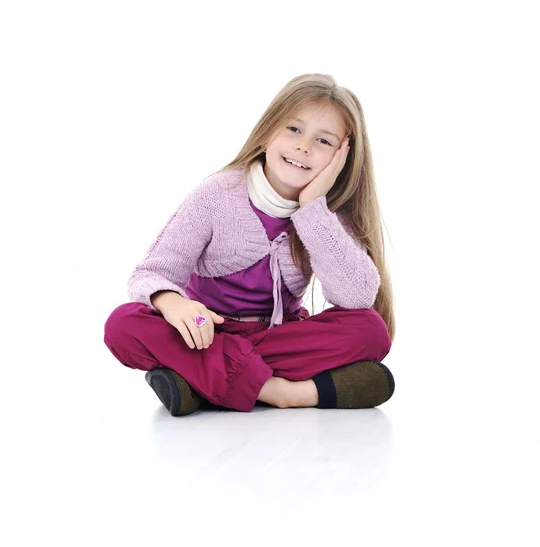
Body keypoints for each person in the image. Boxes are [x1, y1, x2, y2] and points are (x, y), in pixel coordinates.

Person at [104, 73, 396, 416]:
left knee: (370, 329)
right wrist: (172, 303)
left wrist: (313, 209)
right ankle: (286, 392)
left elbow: (356, 298)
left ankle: (203, 380)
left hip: (278, 336)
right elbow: (151, 272)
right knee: (122, 324)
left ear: (342, 156)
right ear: (269, 129)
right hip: (204, 333)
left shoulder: (327, 216)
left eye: (324, 141)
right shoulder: (217, 195)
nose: (303, 146)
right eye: (294, 129)